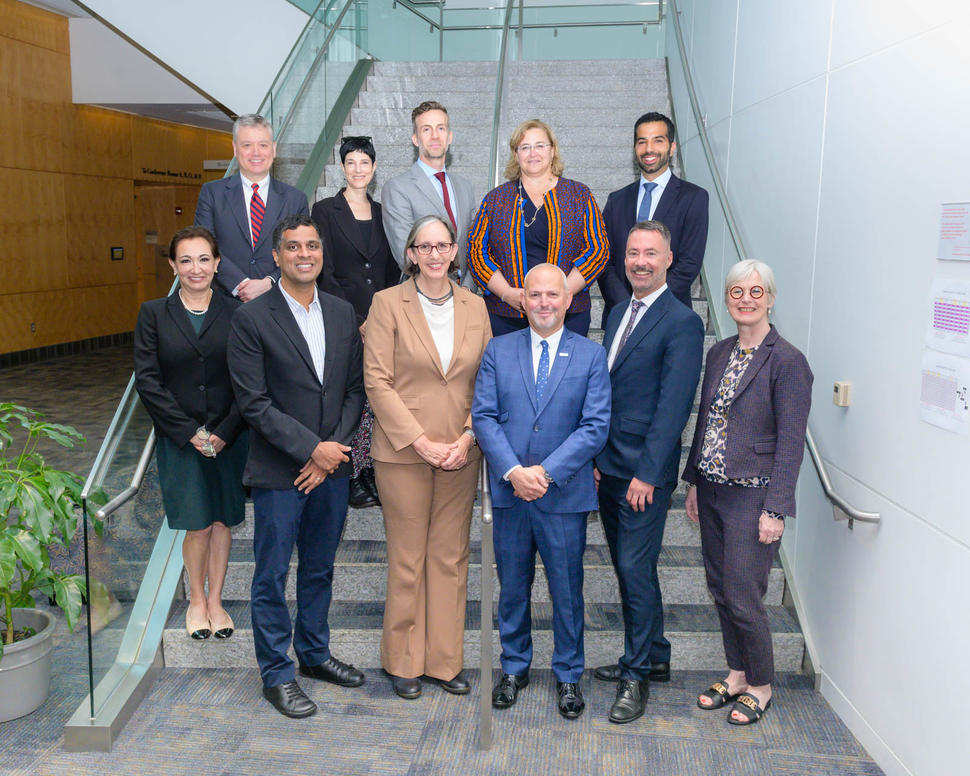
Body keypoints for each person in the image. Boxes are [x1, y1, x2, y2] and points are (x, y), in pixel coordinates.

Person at [227, 215, 365, 718]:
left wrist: (331, 453)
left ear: (320, 254)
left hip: (332, 468)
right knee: (270, 575)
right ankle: (276, 673)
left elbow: (354, 390)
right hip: (279, 469)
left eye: (312, 245)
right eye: (293, 247)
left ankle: (313, 654)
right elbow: (253, 403)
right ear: (277, 256)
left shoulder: (343, 312)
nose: (304, 254)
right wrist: (312, 450)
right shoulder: (251, 318)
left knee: (320, 568)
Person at [472, 263, 610, 720]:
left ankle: (569, 674)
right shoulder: (498, 349)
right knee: (512, 586)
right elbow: (485, 417)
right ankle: (514, 667)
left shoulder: (590, 355)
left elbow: (594, 427)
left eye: (553, 295)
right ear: (522, 300)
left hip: (563, 496)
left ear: (569, 300)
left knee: (567, 590)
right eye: (535, 295)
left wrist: (545, 473)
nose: (544, 303)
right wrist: (513, 471)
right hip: (512, 493)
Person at [364, 215, 491, 700]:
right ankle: (403, 660)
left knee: (450, 557)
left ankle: (444, 661)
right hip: (404, 453)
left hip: (461, 451)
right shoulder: (385, 304)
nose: (435, 254)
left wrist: (467, 435)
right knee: (408, 557)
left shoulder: (475, 307)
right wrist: (419, 440)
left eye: (443, 245)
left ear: (454, 250)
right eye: (425, 246)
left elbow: (488, 380)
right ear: (411, 253)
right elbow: (377, 379)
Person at [683, 259, 813, 726]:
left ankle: (761, 684)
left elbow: (791, 443)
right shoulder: (719, 352)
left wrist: (775, 508)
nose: (746, 300)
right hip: (714, 488)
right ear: (726, 298)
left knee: (743, 593)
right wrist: (695, 480)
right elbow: (708, 422)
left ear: (771, 299)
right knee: (720, 588)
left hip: (753, 497)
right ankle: (736, 673)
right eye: (737, 292)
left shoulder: (788, 361)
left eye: (756, 292)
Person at [592, 221, 704, 724]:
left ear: (668, 259)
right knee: (629, 567)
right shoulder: (617, 311)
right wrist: (596, 458)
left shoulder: (682, 321)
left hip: (642, 475)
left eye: (650, 253)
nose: (639, 260)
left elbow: (673, 407)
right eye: (633, 252)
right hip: (609, 467)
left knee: (635, 570)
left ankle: (635, 675)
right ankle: (655, 654)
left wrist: (648, 474)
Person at [134, 226, 247, 642]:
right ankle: (196, 602)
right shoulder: (153, 314)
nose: (195, 268)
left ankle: (216, 601)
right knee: (197, 523)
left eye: (204, 259)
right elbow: (148, 381)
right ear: (173, 266)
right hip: (180, 439)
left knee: (222, 522)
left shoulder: (237, 313)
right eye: (186, 260)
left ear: (218, 264)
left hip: (228, 436)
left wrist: (223, 431)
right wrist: (189, 433)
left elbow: (248, 379)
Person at [311, 135, 399, 509]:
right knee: (350, 395)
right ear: (342, 168)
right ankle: (349, 475)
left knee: (377, 396)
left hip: (382, 320)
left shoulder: (384, 212)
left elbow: (393, 267)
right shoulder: (325, 211)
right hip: (342, 319)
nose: (358, 169)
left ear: (374, 168)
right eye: (351, 163)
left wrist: (380, 316)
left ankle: (370, 471)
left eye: (365, 162)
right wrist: (357, 319)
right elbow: (323, 269)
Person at [468, 119, 609, 337]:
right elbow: (476, 251)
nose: (532, 153)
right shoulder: (495, 199)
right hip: (507, 316)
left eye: (540, 145)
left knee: (567, 372)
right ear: (516, 155)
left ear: (552, 151)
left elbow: (598, 250)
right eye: (525, 147)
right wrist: (506, 293)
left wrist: (562, 293)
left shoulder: (579, 195)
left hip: (568, 315)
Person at [598, 111, 709, 321]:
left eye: (658, 140)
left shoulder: (694, 198)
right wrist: (626, 305)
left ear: (672, 147)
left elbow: (689, 263)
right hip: (620, 314)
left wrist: (649, 305)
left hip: (670, 316)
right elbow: (605, 261)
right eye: (642, 142)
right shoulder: (617, 200)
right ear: (634, 148)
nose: (649, 149)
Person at [196, 114, 309, 301]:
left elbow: (300, 253)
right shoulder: (212, 194)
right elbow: (204, 247)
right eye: (247, 145)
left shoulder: (295, 199)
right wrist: (240, 284)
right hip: (224, 305)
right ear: (235, 149)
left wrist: (270, 282)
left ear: (273, 149)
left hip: (279, 303)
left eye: (263, 145)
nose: (256, 152)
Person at [381, 101, 478, 287]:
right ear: (415, 139)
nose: (435, 136)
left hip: (465, 297)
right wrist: (445, 293)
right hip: (422, 297)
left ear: (449, 136)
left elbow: (474, 246)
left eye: (440, 128)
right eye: (426, 130)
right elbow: (406, 255)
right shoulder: (397, 188)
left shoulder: (465, 187)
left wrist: (466, 289)